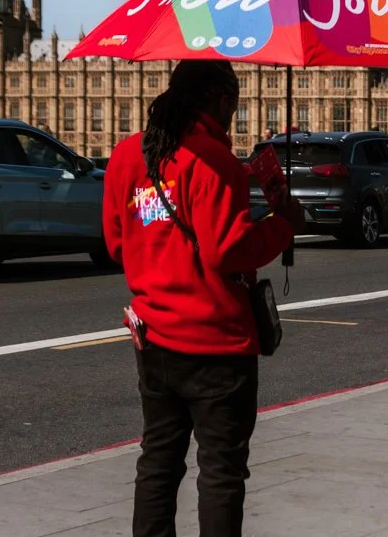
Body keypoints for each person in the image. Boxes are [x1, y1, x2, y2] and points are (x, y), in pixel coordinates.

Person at [103, 60, 304, 537]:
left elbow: (115, 242)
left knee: (158, 463)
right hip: (217, 346)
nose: (233, 114)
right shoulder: (216, 163)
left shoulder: (128, 155)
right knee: (221, 472)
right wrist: (282, 224)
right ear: (217, 99)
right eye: (233, 102)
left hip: (153, 340)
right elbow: (227, 251)